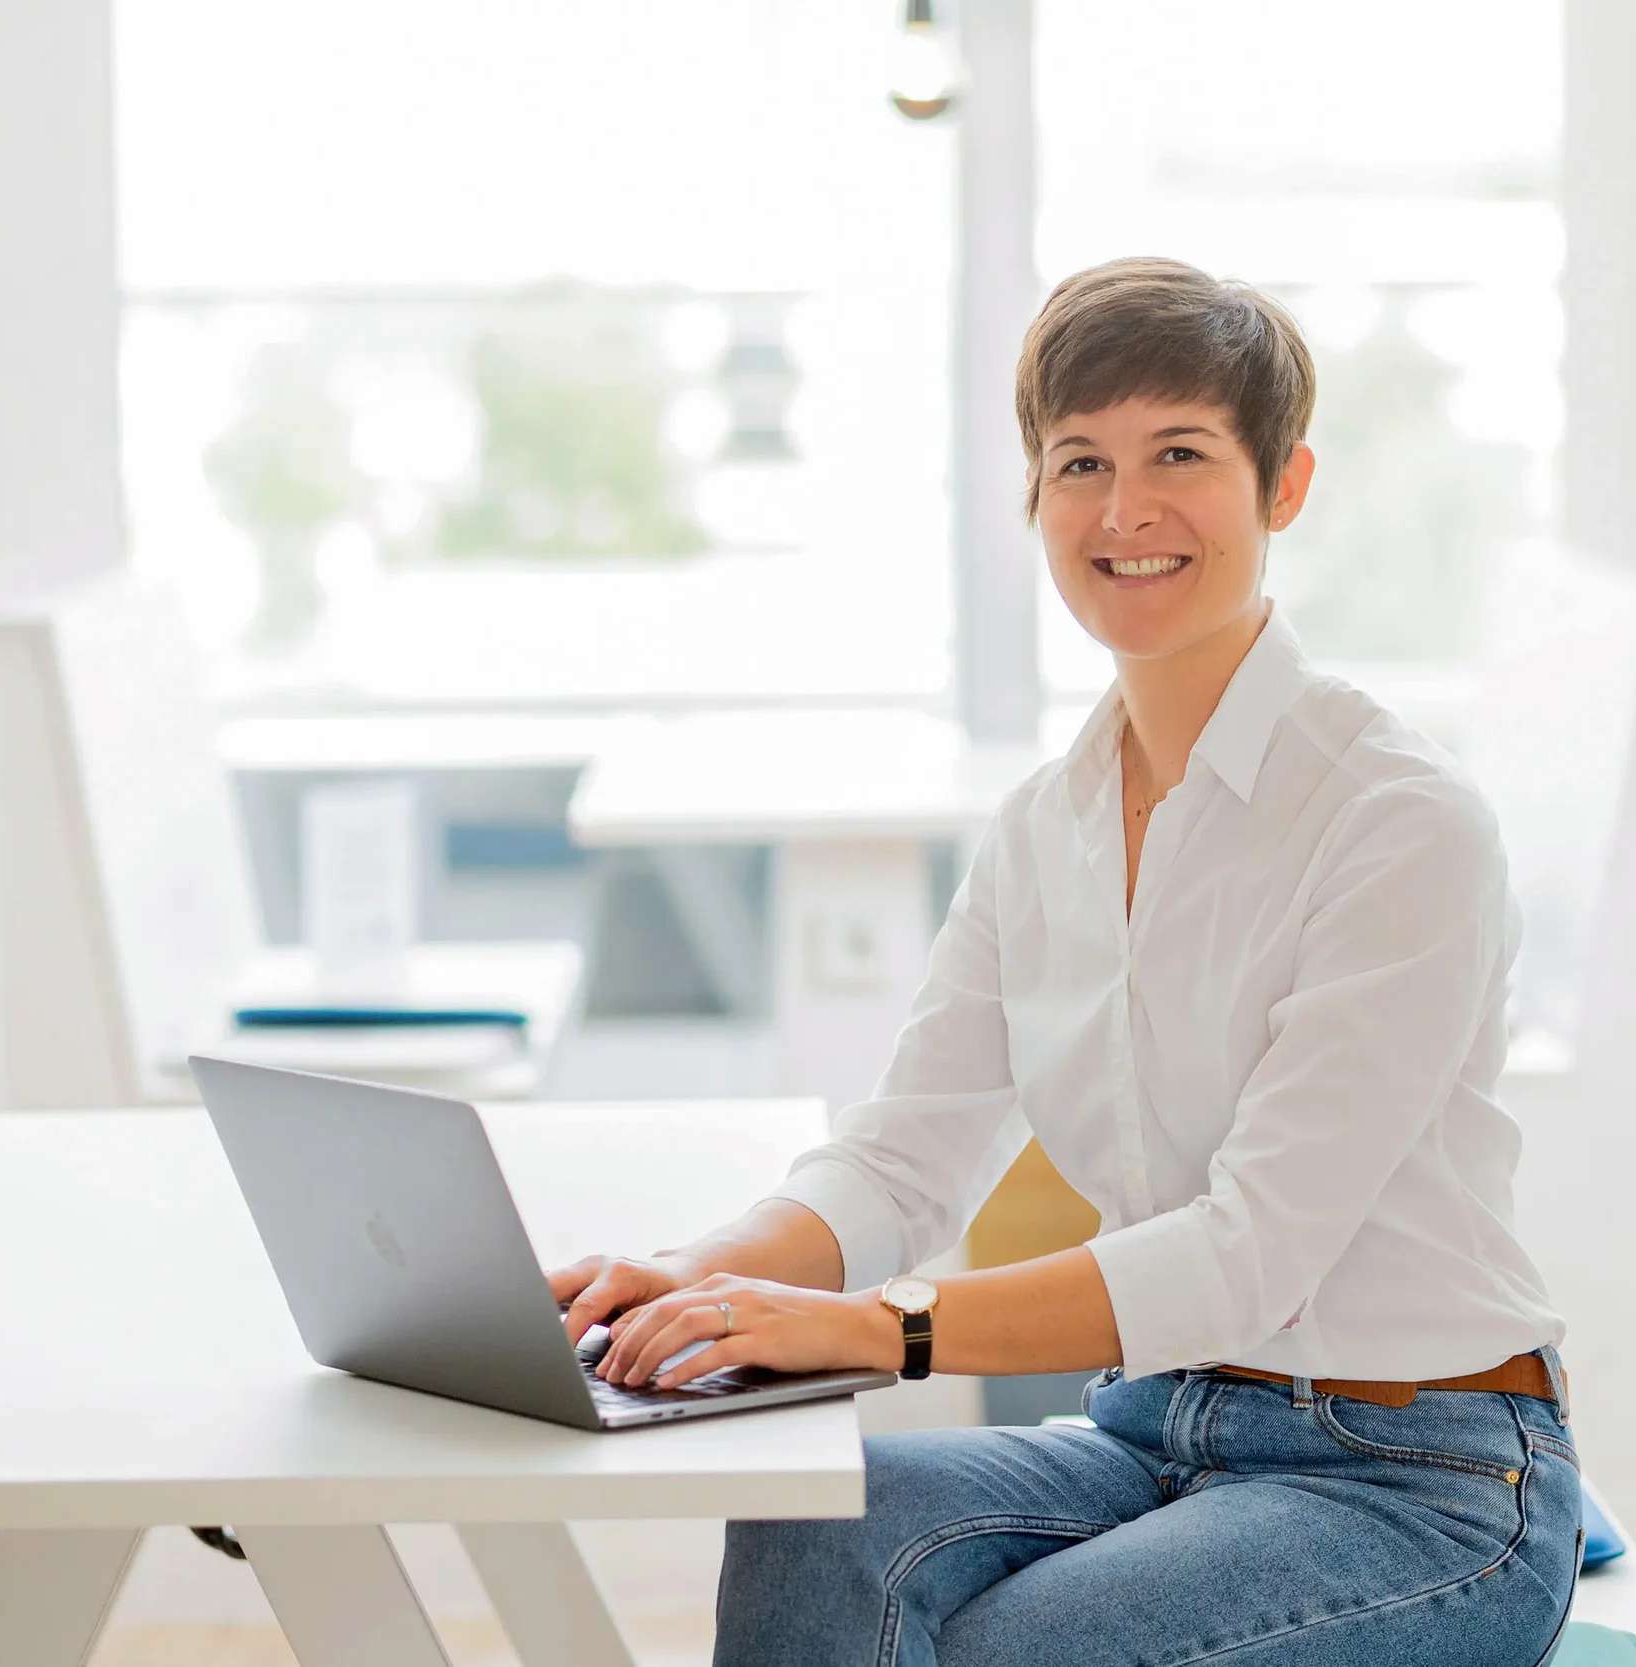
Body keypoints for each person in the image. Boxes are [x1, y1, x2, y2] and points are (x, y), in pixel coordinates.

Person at [550, 256, 1581, 1667]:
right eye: (1080, 461)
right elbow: (904, 1162)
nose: (1124, 509)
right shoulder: (1046, 827)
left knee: (1016, 1647)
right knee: (813, 1522)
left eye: (1180, 455)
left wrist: (876, 1329)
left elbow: (1249, 1250)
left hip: (1420, 1479)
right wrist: (688, 1278)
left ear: (1284, 486)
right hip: (1155, 1430)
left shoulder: (1398, 821)